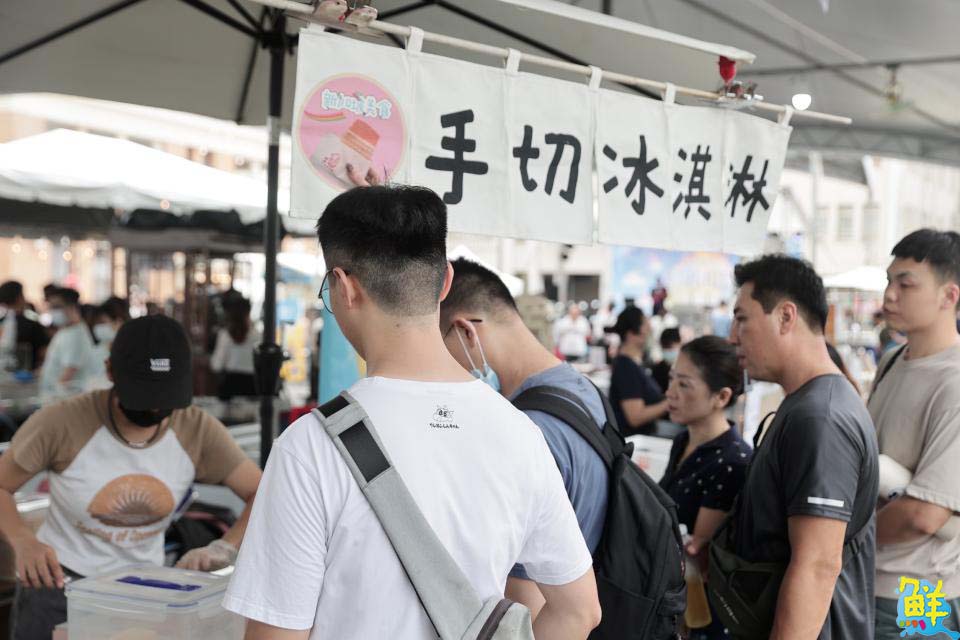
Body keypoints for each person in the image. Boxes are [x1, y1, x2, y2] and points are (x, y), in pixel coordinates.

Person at [223, 186, 600, 640]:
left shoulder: (309, 448)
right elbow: (579, 611)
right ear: (444, 281)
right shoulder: (521, 432)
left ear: (343, 288)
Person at [0, 315, 262, 640]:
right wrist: (23, 541)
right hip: (58, 588)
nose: (153, 411)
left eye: (164, 400)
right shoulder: (61, 422)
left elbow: (262, 492)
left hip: (144, 594)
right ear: (110, 372)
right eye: (143, 397)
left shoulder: (196, 429)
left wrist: (225, 546)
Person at [705, 254, 878, 639]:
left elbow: (817, 565)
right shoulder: (806, 404)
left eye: (743, 318)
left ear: (786, 316)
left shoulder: (821, 418)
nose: (733, 336)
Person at [439, 257, 608, 617]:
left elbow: (524, 606)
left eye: (441, 352)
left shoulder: (526, 432)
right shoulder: (582, 390)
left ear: (467, 332)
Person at [868, 230, 960, 638]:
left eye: (905, 284)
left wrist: (840, 537)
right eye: (889, 281)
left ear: (949, 296)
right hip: (866, 579)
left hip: (921, 592)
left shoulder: (954, 383)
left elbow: (926, 515)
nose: (890, 295)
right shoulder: (891, 361)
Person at [659, 336, 751, 640]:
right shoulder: (682, 440)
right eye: (672, 379)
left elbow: (699, 554)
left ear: (721, 397)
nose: (670, 392)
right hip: (670, 600)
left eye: (684, 385)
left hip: (700, 615)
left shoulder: (731, 461)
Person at [607, 306, 668, 435]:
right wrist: (670, 403)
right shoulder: (626, 368)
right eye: (646, 326)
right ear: (632, 334)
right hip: (635, 441)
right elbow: (635, 417)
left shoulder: (636, 363)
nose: (650, 330)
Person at [38, 287, 96, 399]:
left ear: (72, 307)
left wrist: (54, 394)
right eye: (51, 307)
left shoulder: (76, 335)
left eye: (57, 307)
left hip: (64, 400)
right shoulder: (66, 330)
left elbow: (69, 372)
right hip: (54, 398)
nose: (53, 311)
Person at [210, 297, 259, 400]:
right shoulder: (257, 336)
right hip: (252, 387)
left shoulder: (225, 335)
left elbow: (216, 365)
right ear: (248, 312)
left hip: (230, 386)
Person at [0, 281, 49, 371]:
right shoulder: (31, 324)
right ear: (19, 297)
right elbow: (43, 351)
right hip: (25, 375)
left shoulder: (3, 320)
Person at [651, 327, 681, 394]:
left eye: (670, 347)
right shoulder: (657, 370)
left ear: (679, 344)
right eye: (665, 348)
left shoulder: (687, 368)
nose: (668, 351)